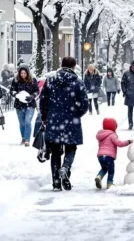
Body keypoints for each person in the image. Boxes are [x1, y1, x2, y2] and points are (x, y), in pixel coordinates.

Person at [40, 56, 89, 191]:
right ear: (73, 67)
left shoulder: (50, 80)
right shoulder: (78, 82)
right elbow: (85, 104)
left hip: (54, 120)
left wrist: (45, 116)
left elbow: (43, 100)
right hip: (71, 120)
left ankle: (56, 183)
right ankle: (66, 167)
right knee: (71, 147)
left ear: (61, 65)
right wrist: (76, 114)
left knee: (55, 151)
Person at [95, 117, 133, 189]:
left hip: (100, 156)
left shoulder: (101, 134)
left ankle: (99, 176)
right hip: (109, 157)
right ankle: (109, 184)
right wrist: (128, 141)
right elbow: (119, 143)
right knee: (111, 171)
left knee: (104, 168)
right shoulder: (112, 135)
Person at [10, 64, 39, 146]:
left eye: (24, 73)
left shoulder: (33, 80)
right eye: (21, 73)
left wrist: (32, 96)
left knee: (28, 121)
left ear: (28, 73)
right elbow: (12, 90)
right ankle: (23, 138)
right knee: (22, 122)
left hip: (30, 104)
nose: (23, 75)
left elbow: (37, 91)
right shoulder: (16, 80)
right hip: (19, 104)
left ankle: (27, 140)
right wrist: (16, 95)